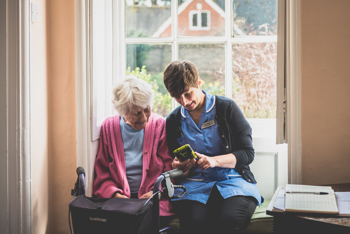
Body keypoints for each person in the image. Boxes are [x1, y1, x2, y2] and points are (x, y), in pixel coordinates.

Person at [163, 60, 263, 234]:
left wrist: (214, 161)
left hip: (234, 181)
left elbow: (247, 154)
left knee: (229, 221)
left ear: (199, 83)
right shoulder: (173, 121)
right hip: (194, 186)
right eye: (177, 97)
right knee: (194, 223)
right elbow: (179, 170)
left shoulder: (226, 108)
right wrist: (179, 168)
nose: (184, 102)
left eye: (188, 94)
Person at [93, 75, 174, 221]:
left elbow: (169, 169)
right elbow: (102, 172)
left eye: (146, 110)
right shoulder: (109, 127)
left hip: (154, 199)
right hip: (119, 202)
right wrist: (115, 195)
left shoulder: (159, 125)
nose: (144, 118)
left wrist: (156, 193)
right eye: (136, 113)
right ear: (121, 111)